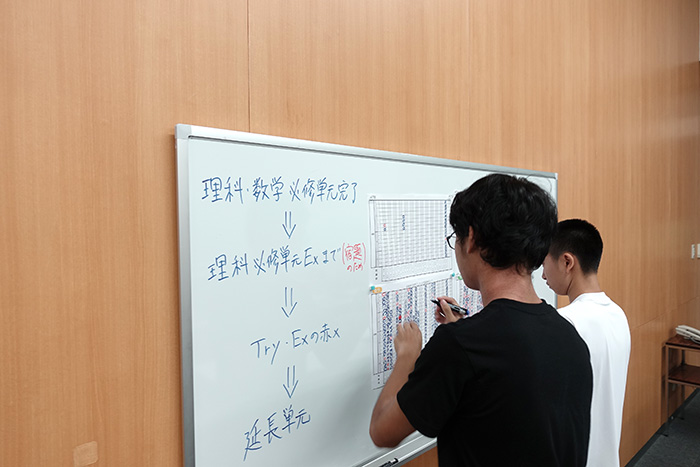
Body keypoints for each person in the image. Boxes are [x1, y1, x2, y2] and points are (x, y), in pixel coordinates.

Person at [369, 173, 593, 466]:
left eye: (456, 238)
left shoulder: (460, 346)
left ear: (471, 239)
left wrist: (408, 356)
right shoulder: (570, 337)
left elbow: (382, 431)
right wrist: (463, 336)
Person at [542, 219, 631, 467]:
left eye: (544, 263)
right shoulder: (617, 314)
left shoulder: (565, 324)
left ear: (567, 262)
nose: (543, 274)